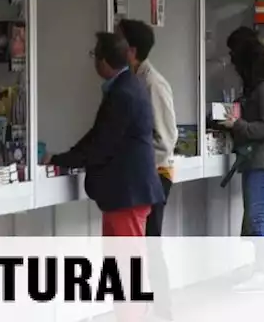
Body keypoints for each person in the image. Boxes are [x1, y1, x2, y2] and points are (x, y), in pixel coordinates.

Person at [48, 33, 165, 236]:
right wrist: (64, 158)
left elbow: (101, 143)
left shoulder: (123, 94)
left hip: (127, 194)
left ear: (102, 61)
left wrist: (61, 159)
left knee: (127, 262)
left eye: (94, 54)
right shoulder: (127, 86)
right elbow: (99, 135)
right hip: (125, 193)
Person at [115, 19, 177, 236]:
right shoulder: (130, 80)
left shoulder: (153, 84)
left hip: (154, 174)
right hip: (139, 174)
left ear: (131, 51)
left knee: (150, 242)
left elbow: (165, 139)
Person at [222, 37, 264, 238]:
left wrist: (238, 124)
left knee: (258, 218)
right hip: (260, 160)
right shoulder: (261, 88)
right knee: (263, 218)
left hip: (263, 160)